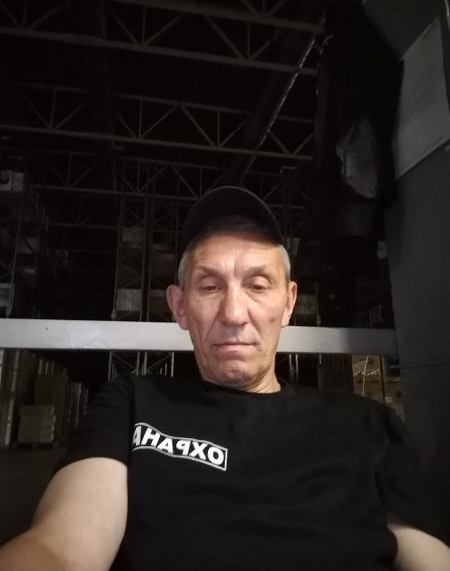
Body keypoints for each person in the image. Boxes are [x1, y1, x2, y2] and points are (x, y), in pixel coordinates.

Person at [0, 186, 449, 571]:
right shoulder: (133, 404)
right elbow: (60, 547)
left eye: (258, 285)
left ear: (288, 303)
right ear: (179, 306)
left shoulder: (368, 424)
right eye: (210, 287)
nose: (234, 314)